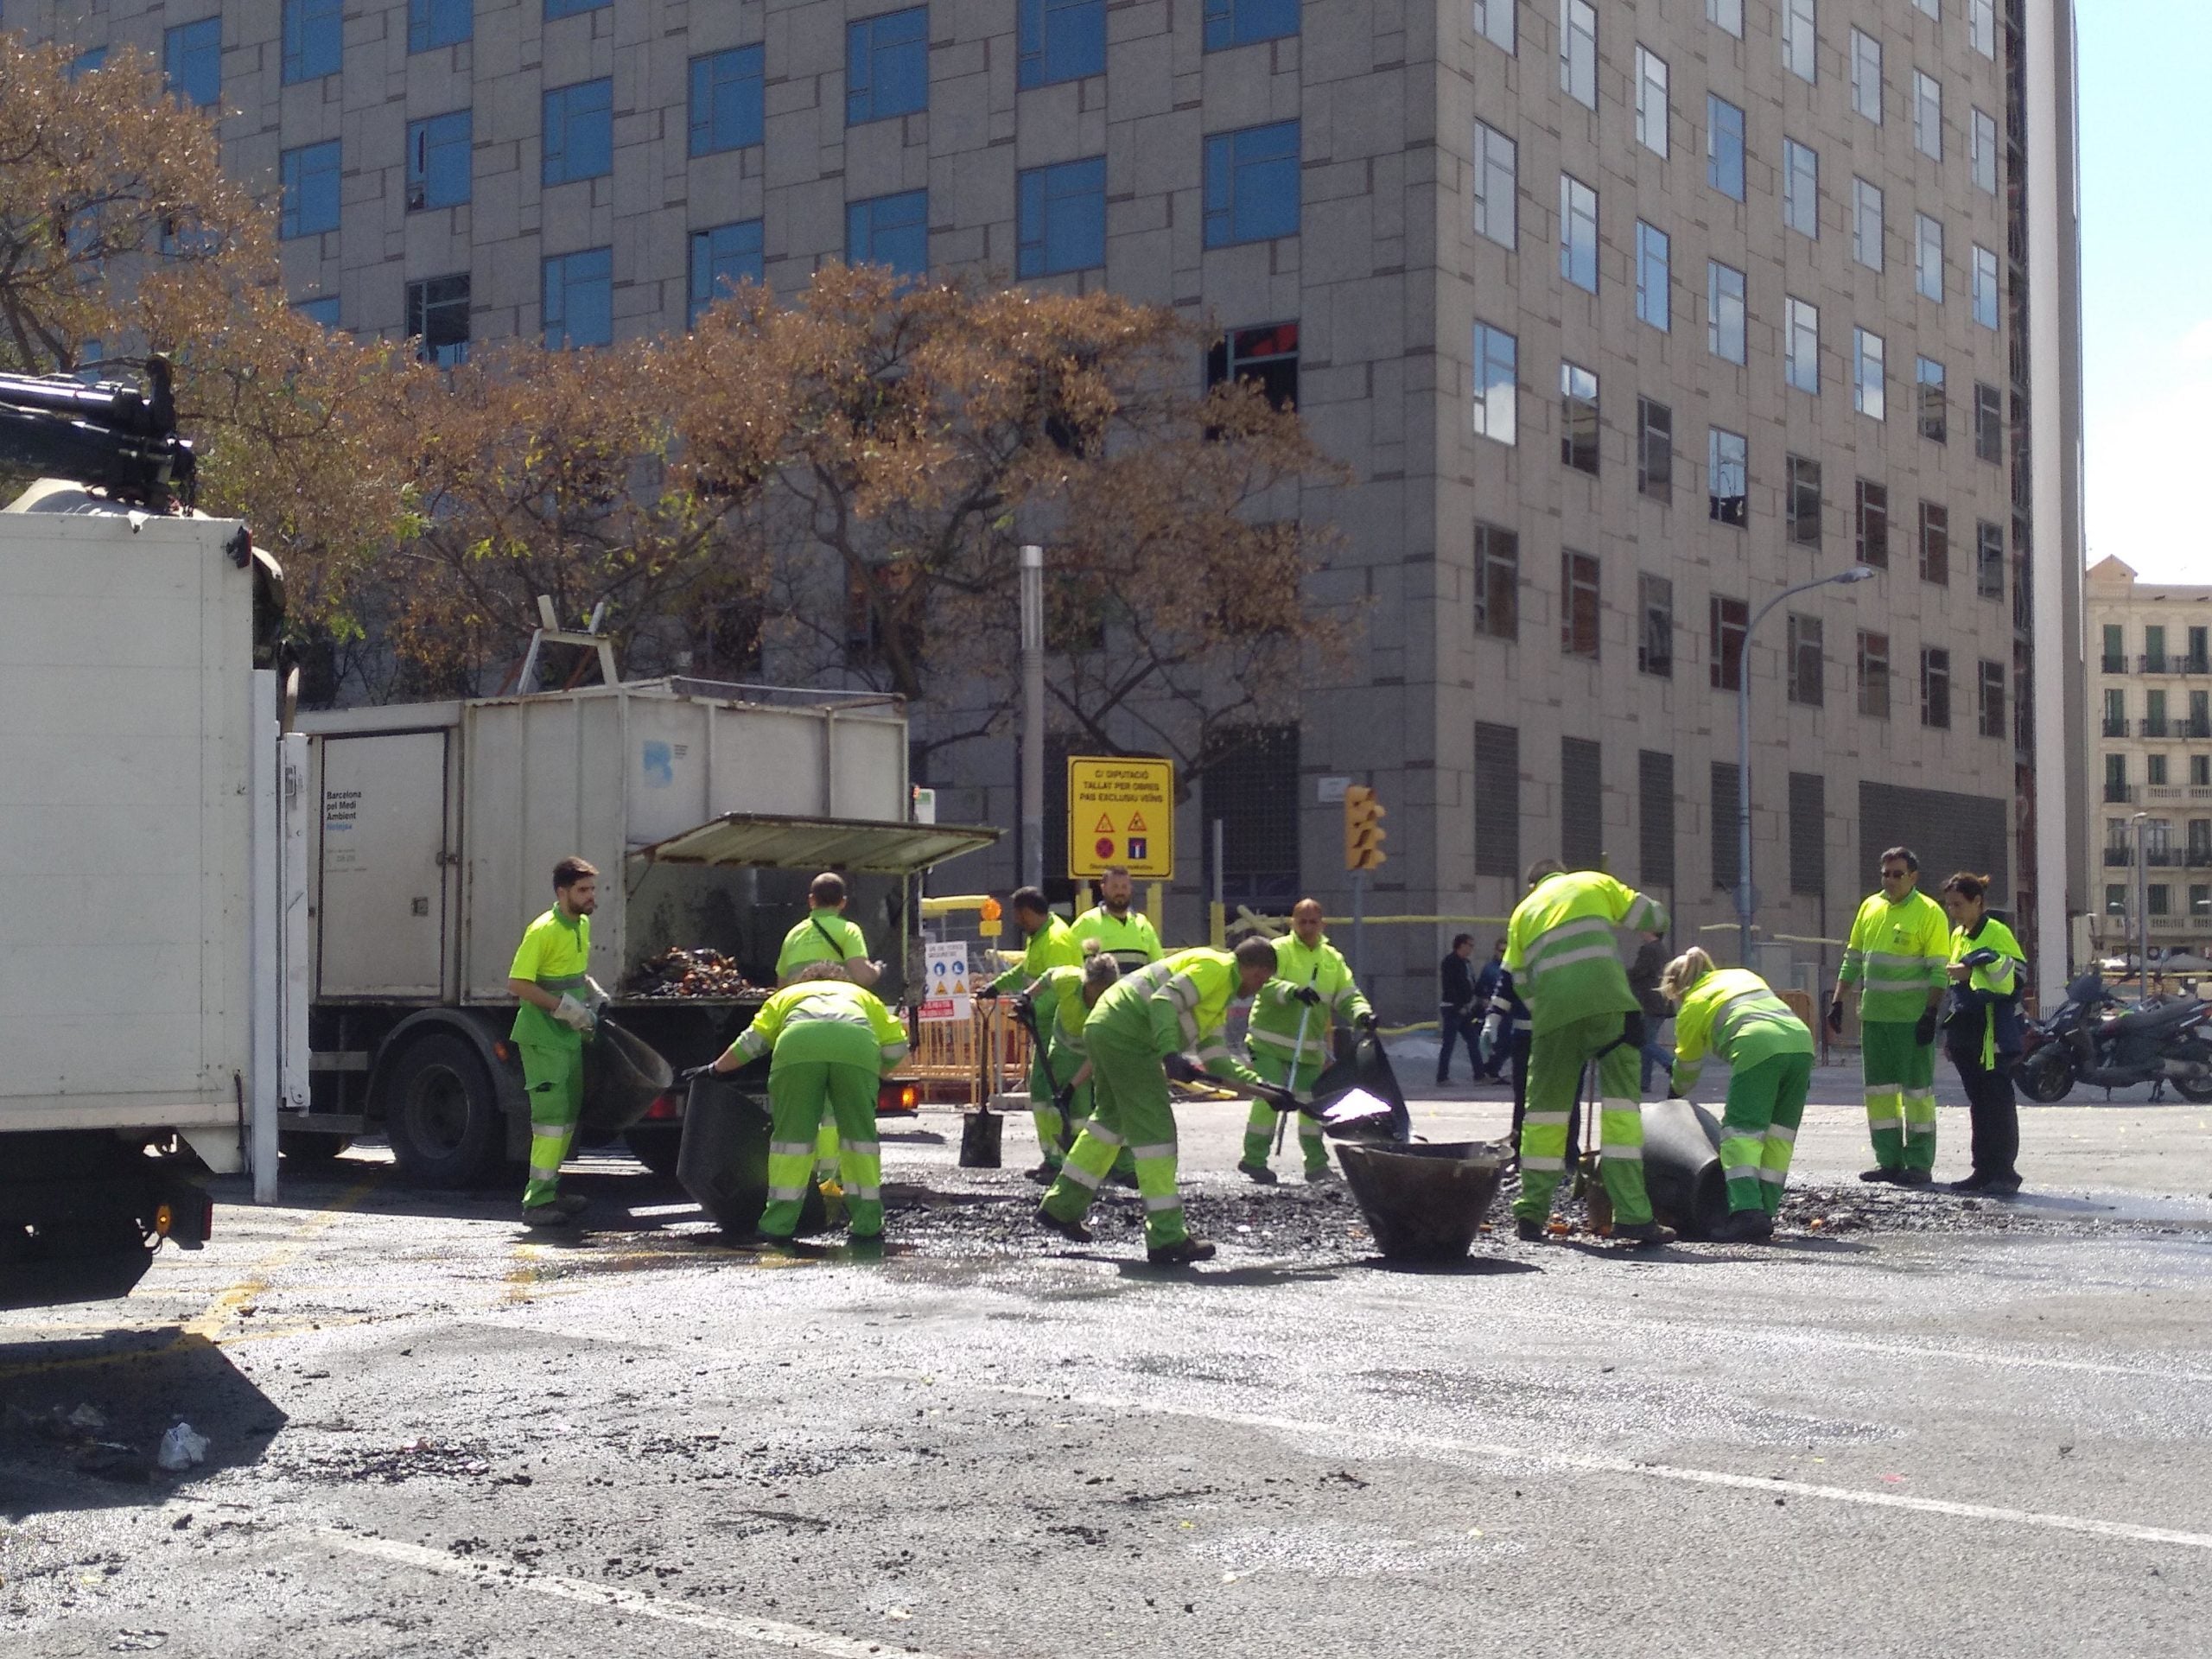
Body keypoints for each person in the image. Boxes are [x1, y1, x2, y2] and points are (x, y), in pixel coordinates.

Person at [1036, 939, 1294, 1266]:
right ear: (1255, 970)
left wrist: (1265, 1089)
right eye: (1261, 980)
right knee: (1156, 1136)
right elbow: (1163, 1000)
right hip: (1128, 1036)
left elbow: (1216, 1061)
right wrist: (1169, 1052)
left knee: (1109, 1123)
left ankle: (1060, 1208)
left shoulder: (1218, 994)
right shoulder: (1215, 968)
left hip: (1107, 1026)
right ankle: (1167, 1237)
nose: (1258, 989)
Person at [1505, 860, 1675, 1246]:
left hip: (1553, 1020)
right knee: (1620, 1113)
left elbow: (1518, 979)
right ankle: (1632, 1216)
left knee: (1544, 1115)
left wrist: (1548, 1013)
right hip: (1610, 1009)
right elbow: (1652, 915)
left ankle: (1531, 1214)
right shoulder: (1592, 882)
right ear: (1562, 873)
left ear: (1534, 885)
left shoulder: (1522, 914)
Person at [695, 963, 910, 1244]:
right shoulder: (862, 996)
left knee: (791, 1142)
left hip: (797, 1047)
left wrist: (715, 1069)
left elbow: (752, 1042)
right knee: (860, 1141)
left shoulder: (787, 996)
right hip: (857, 1046)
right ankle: (867, 1224)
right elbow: (897, 1046)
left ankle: (778, 1225)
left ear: (805, 980)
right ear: (840, 980)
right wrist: (875, 1072)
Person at [1661, 948, 1815, 1242]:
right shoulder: (1742, 975)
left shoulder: (1693, 1004)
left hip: (1757, 1045)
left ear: (1677, 988)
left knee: (1740, 1134)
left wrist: (1673, 1095)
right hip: (1800, 1043)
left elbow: (1688, 1067)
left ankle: (1746, 1212)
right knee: (1778, 1136)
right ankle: (1764, 1211)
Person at [1830, 846, 1949, 1186]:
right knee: (1879, 1093)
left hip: (1911, 1021)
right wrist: (1838, 1000)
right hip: (1875, 1018)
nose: (1891, 880)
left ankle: (1919, 1163)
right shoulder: (1870, 907)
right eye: (1886, 874)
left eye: (1898, 874)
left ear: (1913, 877)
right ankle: (1889, 1161)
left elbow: (1939, 970)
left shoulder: (1930, 913)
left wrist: (1931, 1014)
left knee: (1917, 1094)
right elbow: (1852, 958)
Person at [1240, 899, 1376, 1184]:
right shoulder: (1279, 951)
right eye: (1302, 921)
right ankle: (1254, 1160)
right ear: (1293, 923)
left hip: (1308, 1049)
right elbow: (1264, 983)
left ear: (1322, 924)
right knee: (1269, 1098)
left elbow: (1347, 994)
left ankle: (1316, 1166)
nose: (1308, 927)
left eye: (1313, 922)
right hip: (1269, 1043)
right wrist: (1292, 992)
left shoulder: (1331, 960)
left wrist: (1362, 1015)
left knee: (1312, 1107)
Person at [507, 857, 607, 1229]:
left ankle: (550, 1192)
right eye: (583, 890)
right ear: (562, 892)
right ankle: (536, 1203)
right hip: (543, 1037)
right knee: (551, 1122)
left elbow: (570, 974)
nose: (590, 896)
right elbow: (517, 983)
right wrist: (565, 1009)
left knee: (564, 1121)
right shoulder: (543, 929)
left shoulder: (580, 924)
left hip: (567, 1037)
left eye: (592, 889)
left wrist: (590, 992)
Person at [975, 887, 1087, 1180]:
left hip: (1060, 1029)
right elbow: (1026, 972)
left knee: (1050, 1091)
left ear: (1025, 912)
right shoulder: (1040, 938)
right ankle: (1055, 1157)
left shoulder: (1057, 940)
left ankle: (1061, 1159)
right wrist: (996, 987)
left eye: (1016, 913)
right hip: (1046, 1026)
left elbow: (1063, 986)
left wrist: (1031, 1007)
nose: (1016, 920)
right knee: (1043, 1090)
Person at [1938, 872, 2026, 1195]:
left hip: (1992, 1030)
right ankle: (1983, 1170)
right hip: (1968, 1029)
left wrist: (1972, 969)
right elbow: (1955, 986)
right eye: (1949, 905)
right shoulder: (1960, 934)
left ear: (1978, 902)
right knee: (1979, 1103)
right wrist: (1951, 1035)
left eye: (1958, 905)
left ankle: (2003, 1172)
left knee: (1997, 1102)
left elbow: (2015, 977)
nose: (1953, 911)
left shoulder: (1997, 933)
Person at [1014, 950, 1122, 1179]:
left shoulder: (1112, 1009)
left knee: (1079, 1111)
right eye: (1098, 990)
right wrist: (1027, 997)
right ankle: (1052, 1160)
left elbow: (1096, 1057)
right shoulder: (1070, 980)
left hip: (1086, 1057)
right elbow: (1048, 977)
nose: (1100, 996)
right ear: (1088, 982)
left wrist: (1072, 1086)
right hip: (1059, 1047)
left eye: (1106, 991)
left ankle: (1081, 1166)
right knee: (1043, 1099)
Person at [775, 871, 882, 987]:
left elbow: (782, 986)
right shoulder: (849, 930)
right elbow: (864, 978)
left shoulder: (793, 935)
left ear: (811, 900)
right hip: (834, 1002)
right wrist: (877, 970)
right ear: (843, 902)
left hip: (798, 1003)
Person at [1483, 965, 1535, 1155]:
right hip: (1527, 1035)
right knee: (1524, 1097)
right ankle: (1521, 1150)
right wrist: (1492, 1020)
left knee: (1556, 1101)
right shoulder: (1519, 945)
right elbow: (1506, 987)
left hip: (1553, 1034)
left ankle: (1564, 1157)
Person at [1071, 866, 1164, 972]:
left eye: (1124, 887)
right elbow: (1070, 965)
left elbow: (1158, 967)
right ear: (1103, 888)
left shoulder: (1142, 924)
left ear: (1130, 889)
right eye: (1115, 887)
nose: (1120, 892)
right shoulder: (1086, 922)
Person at [1627, 929, 1673, 1096]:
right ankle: (1643, 1083)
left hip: (1649, 1003)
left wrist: (1620, 974)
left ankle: (1671, 1064)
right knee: (1647, 1043)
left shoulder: (1649, 949)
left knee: (1643, 1042)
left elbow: (1639, 972)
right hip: (1660, 1003)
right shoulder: (1661, 949)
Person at [1436, 935, 1483, 1085]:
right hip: (1452, 1009)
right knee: (1449, 1043)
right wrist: (1458, 1006)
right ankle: (1442, 1077)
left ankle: (1479, 1075)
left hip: (1464, 1008)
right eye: (1469, 945)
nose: (1471, 949)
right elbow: (1449, 986)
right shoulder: (1450, 962)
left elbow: (1471, 983)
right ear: (1461, 945)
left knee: (1473, 1040)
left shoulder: (1466, 963)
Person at [1471, 938, 1511, 1079]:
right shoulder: (1491, 969)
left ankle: (1490, 1069)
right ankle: (1489, 1070)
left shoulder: (1510, 968)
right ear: (1496, 951)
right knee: (1498, 1042)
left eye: (1506, 951)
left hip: (1509, 1012)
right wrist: (1485, 1002)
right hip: (1495, 1010)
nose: (1504, 953)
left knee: (1508, 1044)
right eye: (1501, 951)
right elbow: (1480, 989)